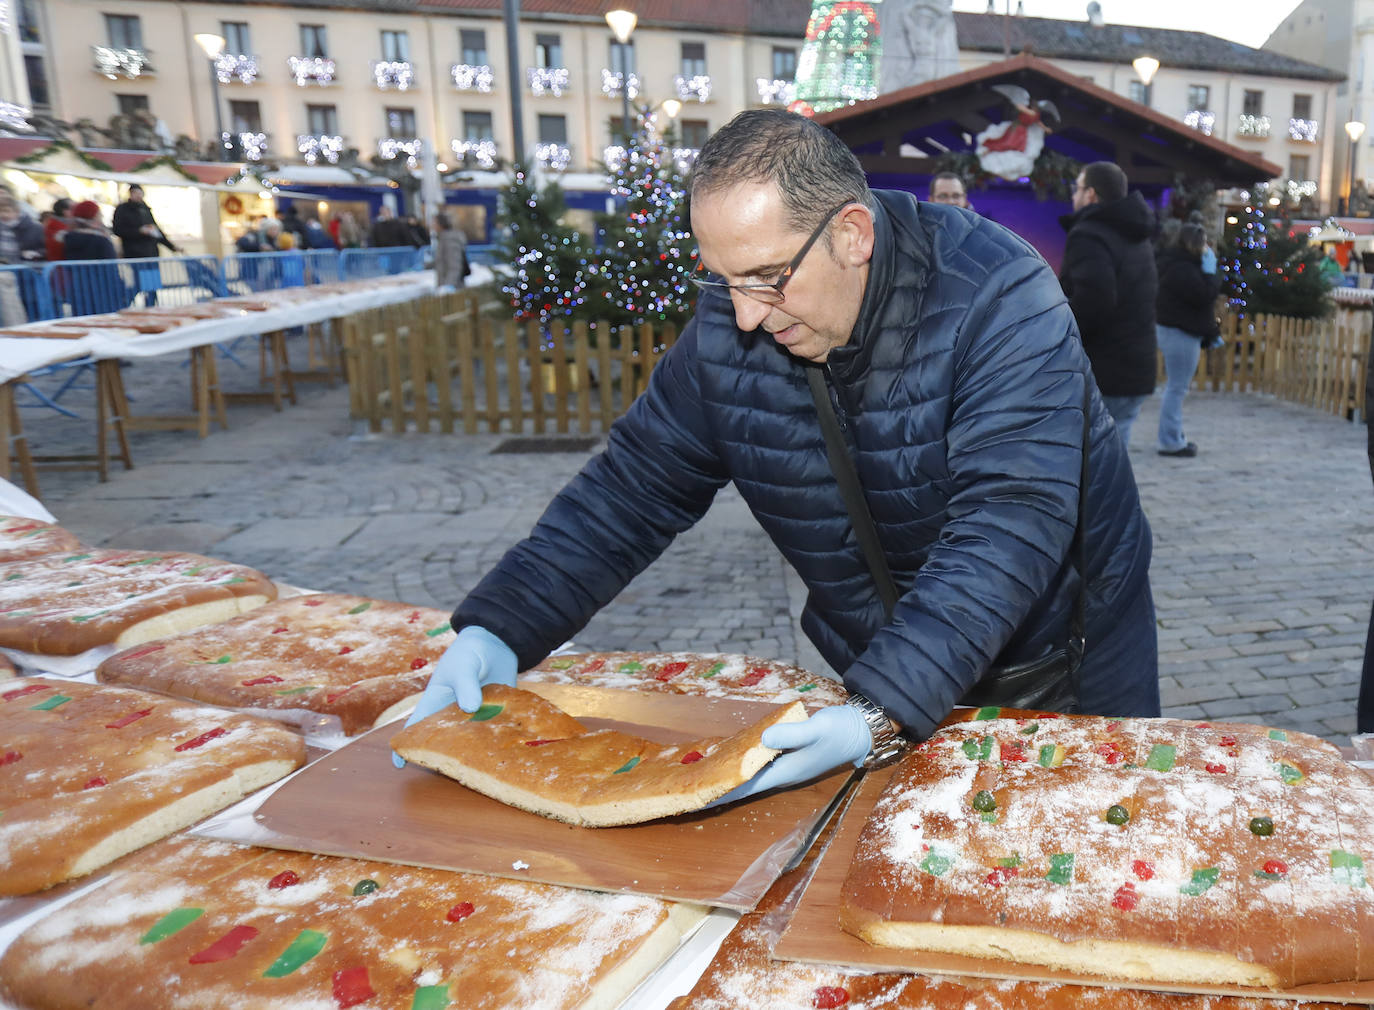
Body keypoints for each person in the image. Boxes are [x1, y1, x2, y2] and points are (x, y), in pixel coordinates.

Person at [395, 109, 1159, 796]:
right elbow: (631, 489)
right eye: (721, 279)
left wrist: (885, 704)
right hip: (887, 663)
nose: (745, 316)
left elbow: (1010, 522)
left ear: (853, 235)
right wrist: (500, 626)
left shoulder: (1002, 296)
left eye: (767, 278)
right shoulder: (734, 321)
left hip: (1063, 661)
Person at [1059, 161, 1158, 450]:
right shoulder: (1136, 233)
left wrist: (1061, 336)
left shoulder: (1089, 234)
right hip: (1135, 364)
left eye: (1077, 188)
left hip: (1103, 369)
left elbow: (1094, 301)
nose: (1073, 196)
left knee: (1094, 463)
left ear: (1091, 194)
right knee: (1116, 454)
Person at [1154, 222, 1222, 459]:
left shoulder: (1175, 264)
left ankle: (1173, 436)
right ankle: (1170, 441)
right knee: (1177, 387)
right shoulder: (1183, 269)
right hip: (1180, 331)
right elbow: (1204, 295)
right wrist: (1211, 274)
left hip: (1174, 329)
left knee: (1175, 386)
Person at [62, 200, 129, 316]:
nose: (101, 216)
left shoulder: (70, 238)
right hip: (104, 289)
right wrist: (120, 289)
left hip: (80, 289)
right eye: (99, 213)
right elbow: (111, 267)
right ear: (93, 216)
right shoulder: (100, 239)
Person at [432, 211, 468, 291]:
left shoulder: (450, 240)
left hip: (453, 290)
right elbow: (442, 261)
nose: (432, 226)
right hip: (445, 287)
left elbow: (454, 265)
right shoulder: (442, 239)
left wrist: (448, 286)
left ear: (441, 224)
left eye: (435, 223)